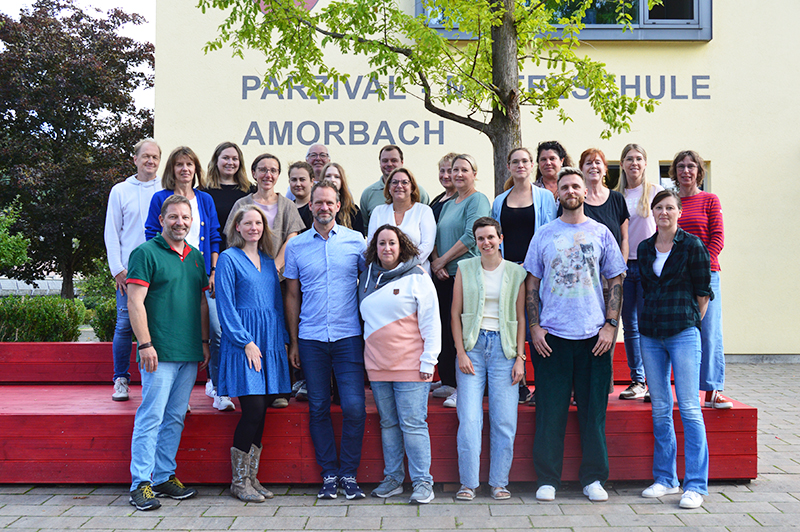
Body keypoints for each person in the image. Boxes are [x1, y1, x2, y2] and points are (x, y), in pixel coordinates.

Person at [525, 167, 626, 503]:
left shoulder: (601, 233)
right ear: (557, 193)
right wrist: (535, 327)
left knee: (593, 413)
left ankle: (593, 478)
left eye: (575, 186)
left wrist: (610, 326)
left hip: (594, 337)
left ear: (585, 192)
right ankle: (547, 479)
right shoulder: (544, 235)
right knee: (549, 413)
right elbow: (531, 284)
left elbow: (616, 280)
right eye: (565, 186)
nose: (570, 191)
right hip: (552, 337)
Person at [284, 180, 368, 500]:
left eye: (329, 202)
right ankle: (329, 473)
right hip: (311, 337)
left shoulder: (356, 241)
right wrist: (294, 341)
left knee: (354, 407)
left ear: (338, 206)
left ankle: (349, 473)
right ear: (310, 206)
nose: (323, 207)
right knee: (318, 407)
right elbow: (292, 295)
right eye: (318, 202)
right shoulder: (296, 246)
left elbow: (370, 281)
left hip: (348, 336)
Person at [126, 194, 210, 511]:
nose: (180, 222)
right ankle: (140, 483)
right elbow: (135, 301)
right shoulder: (145, 253)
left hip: (188, 351)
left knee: (174, 417)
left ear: (192, 221)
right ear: (162, 220)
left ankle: (163, 476)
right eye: (173, 216)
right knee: (151, 417)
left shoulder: (196, 257)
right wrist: (145, 344)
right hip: (157, 351)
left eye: (185, 217)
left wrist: (204, 342)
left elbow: (201, 302)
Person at [637, 189, 712, 509]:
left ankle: (695, 485)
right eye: (659, 208)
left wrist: (690, 322)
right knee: (660, 408)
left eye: (670, 207)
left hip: (683, 333)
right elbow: (646, 289)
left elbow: (703, 293)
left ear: (679, 212)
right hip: (651, 335)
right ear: (652, 213)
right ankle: (666, 478)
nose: (664, 212)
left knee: (690, 408)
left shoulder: (693, 246)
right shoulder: (644, 248)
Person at [358, 225, 440, 504]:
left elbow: (432, 322)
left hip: (412, 365)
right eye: (381, 243)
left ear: (401, 246)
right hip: (377, 365)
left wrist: (429, 360)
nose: (387, 248)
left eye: (392, 242)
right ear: (375, 248)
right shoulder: (366, 278)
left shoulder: (418, 276)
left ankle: (423, 483)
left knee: (413, 424)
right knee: (389, 423)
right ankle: (393, 479)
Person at [216, 205, 292, 503]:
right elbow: (225, 305)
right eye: (247, 223)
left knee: (263, 414)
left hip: (269, 343)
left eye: (258, 223)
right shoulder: (228, 259)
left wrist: (282, 341)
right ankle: (238, 481)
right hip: (244, 343)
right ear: (237, 227)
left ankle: (251, 478)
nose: (253, 228)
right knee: (253, 410)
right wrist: (244, 341)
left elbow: (276, 306)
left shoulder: (269, 262)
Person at [144, 146, 227, 410]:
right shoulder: (160, 198)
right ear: (172, 169)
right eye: (179, 164)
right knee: (176, 328)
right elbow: (151, 232)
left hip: (200, 272)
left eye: (189, 164)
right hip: (171, 274)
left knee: (216, 329)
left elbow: (214, 236)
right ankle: (178, 397)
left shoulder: (205, 199)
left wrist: (213, 270)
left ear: (196, 169)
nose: (185, 169)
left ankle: (218, 387)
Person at [451, 217, 527, 501]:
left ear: (500, 239)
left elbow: (520, 318)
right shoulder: (465, 268)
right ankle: (468, 483)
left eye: (491, 237)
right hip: (472, 348)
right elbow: (455, 313)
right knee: (469, 419)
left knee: (504, 420)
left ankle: (499, 482)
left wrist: (520, 358)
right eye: (481, 238)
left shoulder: (516, 272)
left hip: (504, 351)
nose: (486, 243)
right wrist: (460, 352)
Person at [492, 147, 557, 404]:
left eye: (525, 161)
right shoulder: (499, 201)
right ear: (508, 166)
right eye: (515, 161)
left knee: (539, 327)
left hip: (536, 272)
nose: (520, 165)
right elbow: (496, 238)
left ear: (532, 166)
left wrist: (535, 267)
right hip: (509, 272)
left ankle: (544, 385)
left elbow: (551, 234)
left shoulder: (545, 197)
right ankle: (518, 385)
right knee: (511, 327)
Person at [564, 149, 630, 393]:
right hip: (583, 278)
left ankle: (603, 386)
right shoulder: (576, 199)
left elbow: (624, 238)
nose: (593, 166)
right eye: (588, 163)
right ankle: (577, 386)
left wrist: (619, 271)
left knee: (608, 330)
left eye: (598, 162)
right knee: (583, 331)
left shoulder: (617, 199)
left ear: (605, 169)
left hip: (610, 277)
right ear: (581, 169)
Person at [430, 154, 492, 408]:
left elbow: (470, 236)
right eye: (455, 169)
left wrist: (442, 261)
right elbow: (435, 235)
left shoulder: (477, 200)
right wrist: (437, 262)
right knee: (446, 328)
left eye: (464, 170)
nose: (457, 174)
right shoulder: (448, 203)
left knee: (465, 333)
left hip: (465, 274)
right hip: (444, 275)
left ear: (474, 174)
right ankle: (451, 381)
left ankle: (466, 387)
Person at [104, 138, 162, 401]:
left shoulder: (166, 189)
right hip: (129, 271)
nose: (150, 161)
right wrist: (117, 269)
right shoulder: (120, 191)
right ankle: (121, 379)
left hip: (160, 270)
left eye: (155, 157)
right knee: (125, 325)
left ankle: (156, 382)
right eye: (145, 156)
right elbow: (112, 232)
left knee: (158, 324)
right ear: (135, 159)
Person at [670, 151, 729, 409]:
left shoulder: (709, 200)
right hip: (677, 278)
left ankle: (712, 391)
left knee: (710, 332)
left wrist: (700, 267)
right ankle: (686, 391)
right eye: (681, 166)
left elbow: (718, 237)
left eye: (691, 166)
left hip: (707, 275)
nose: (686, 171)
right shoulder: (671, 201)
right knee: (681, 333)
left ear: (699, 171)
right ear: (674, 171)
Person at [201, 141, 255, 410]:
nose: (230, 162)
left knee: (242, 326)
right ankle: (218, 385)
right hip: (217, 266)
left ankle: (241, 381)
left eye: (235, 158)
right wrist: (212, 268)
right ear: (216, 160)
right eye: (225, 158)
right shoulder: (204, 192)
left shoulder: (250, 191)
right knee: (218, 329)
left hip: (245, 267)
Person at [615, 144, 664, 400]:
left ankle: (655, 382)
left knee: (650, 325)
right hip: (623, 267)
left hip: (648, 267)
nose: (634, 163)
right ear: (622, 164)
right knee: (630, 327)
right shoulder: (616, 196)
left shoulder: (656, 192)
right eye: (629, 159)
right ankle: (638, 381)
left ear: (645, 163)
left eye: (638, 158)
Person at [226, 154, 306, 278]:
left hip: (280, 277)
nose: (268, 175)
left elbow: (292, 240)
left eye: (273, 171)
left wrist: (276, 266)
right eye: (263, 170)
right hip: (246, 275)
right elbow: (231, 238)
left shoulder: (288, 206)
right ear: (254, 173)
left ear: (278, 175)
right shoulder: (241, 204)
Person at [367, 167, 436, 272]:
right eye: (394, 182)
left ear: (412, 188)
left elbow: (427, 245)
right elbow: (371, 243)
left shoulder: (424, 211)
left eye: (404, 182)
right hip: (385, 271)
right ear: (389, 187)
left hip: (415, 271)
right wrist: (389, 265)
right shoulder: (378, 211)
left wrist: (404, 265)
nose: (399, 186)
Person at [360, 144, 430, 227]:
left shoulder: (419, 191)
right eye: (385, 161)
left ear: (402, 162)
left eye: (394, 160)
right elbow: (365, 228)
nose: (389, 164)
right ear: (380, 163)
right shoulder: (368, 194)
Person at [321, 162, 365, 235]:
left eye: (337, 177)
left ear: (342, 181)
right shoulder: (313, 208)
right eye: (328, 176)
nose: (332, 179)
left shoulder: (353, 211)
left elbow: (359, 238)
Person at [429, 152, 458, 221]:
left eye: (450, 171)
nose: (445, 176)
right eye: (442, 171)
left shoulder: (460, 200)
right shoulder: (438, 199)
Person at [288, 160, 314, 230]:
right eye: (294, 180)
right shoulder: (286, 208)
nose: (298, 184)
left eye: (302, 179)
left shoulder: (316, 208)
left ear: (312, 182)